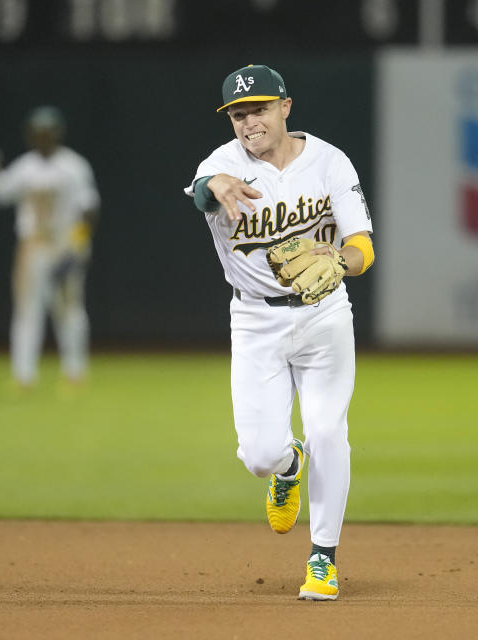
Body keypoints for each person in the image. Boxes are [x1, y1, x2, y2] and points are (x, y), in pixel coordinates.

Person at [183, 65, 375, 601]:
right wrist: (212, 185)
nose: (249, 123)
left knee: (328, 430)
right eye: (239, 115)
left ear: (286, 107)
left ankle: (323, 559)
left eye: (260, 110)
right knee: (259, 455)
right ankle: (287, 465)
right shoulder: (221, 163)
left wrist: (341, 256)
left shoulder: (329, 161)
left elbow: (363, 245)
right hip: (255, 320)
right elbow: (201, 192)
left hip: (324, 313)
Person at [0, 106, 100, 388]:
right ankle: (24, 375)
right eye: (38, 133)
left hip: (63, 244)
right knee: (27, 310)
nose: (42, 138)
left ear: (57, 134)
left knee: (69, 309)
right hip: (33, 246)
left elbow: (89, 211)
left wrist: (78, 249)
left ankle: (75, 371)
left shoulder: (74, 166)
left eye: (47, 132)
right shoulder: (26, 166)